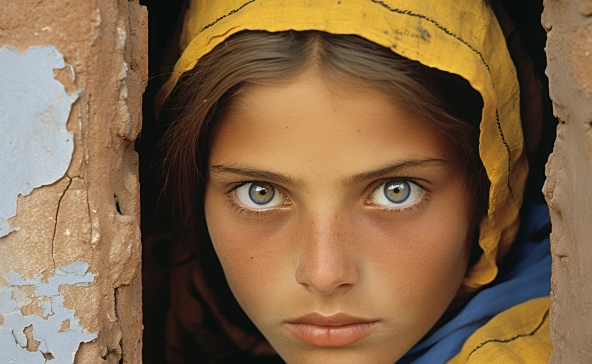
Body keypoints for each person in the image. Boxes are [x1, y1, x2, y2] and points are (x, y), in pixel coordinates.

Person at [155, 0, 553, 362]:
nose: (324, 275)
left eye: (396, 192)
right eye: (261, 193)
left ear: (489, 196)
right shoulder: (174, 312)